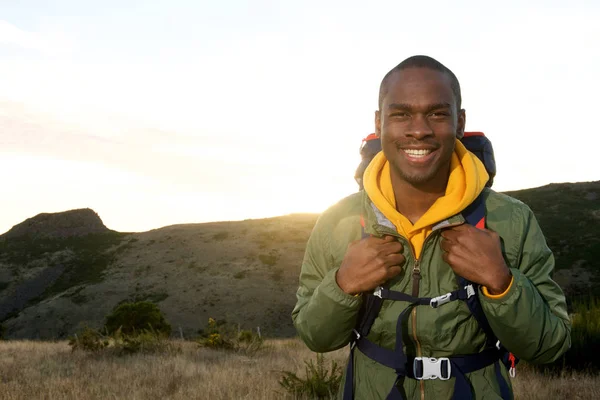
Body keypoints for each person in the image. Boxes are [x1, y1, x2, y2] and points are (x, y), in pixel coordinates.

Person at [292, 55, 571, 400]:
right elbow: (315, 337)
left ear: (459, 123)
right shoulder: (338, 221)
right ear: (379, 124)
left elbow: (550, 345)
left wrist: (502, 283)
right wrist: (342, 285)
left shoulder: (511, 220)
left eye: (437, 113)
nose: (419, 129)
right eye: (401, 114)